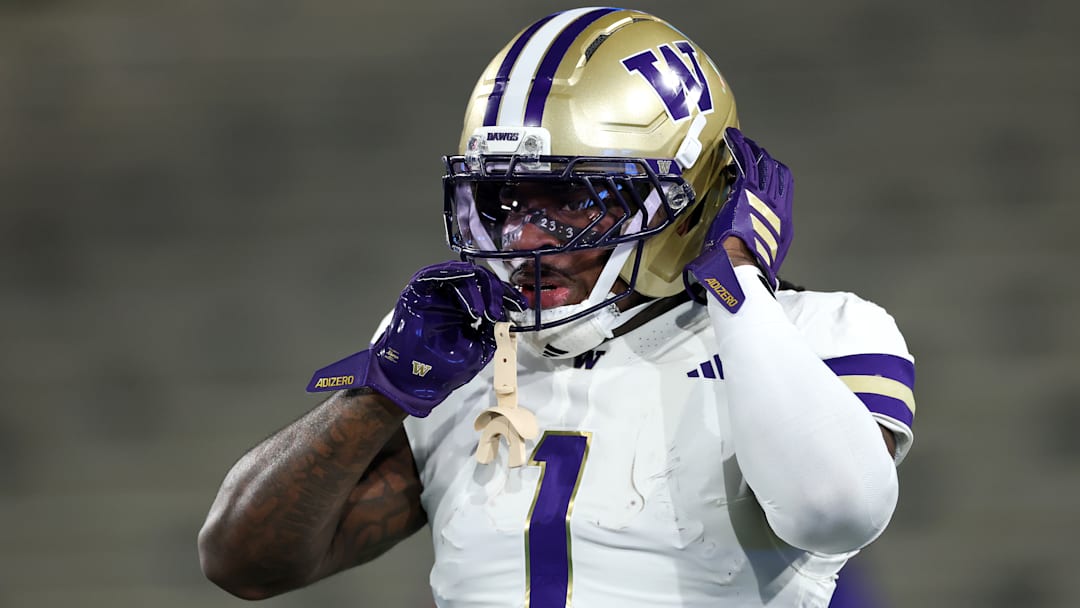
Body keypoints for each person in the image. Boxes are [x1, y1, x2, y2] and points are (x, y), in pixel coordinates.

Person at [198, 7, 916, 607]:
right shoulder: (471, 349)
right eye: (506, 199)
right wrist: (379, 393)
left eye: (574, 201)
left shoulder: (823, 331)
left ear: (694, 201)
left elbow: (835, 509)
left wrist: (735, 278)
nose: (525, 237)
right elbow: (243, 562)